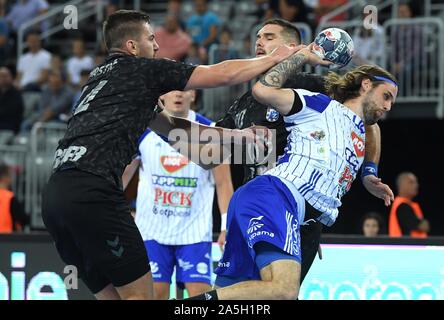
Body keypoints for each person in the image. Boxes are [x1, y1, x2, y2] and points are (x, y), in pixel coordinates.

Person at [41, 9, 300, 300]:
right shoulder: (143, 69)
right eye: (151, 39)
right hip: (94, 192)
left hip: (55, 199)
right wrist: (275, 58)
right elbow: (222, 74)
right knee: (140, 297)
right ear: (132, 47)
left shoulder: (104, 80)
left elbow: (179, 131)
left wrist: (238, 137)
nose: (156, 46)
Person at [188, 55, 398, 300]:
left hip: (271, 205)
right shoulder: (320, 105)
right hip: (274, 197)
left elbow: (374, 131)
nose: (388, 106)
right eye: (386, 96)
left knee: (233, 297)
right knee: (285, 290)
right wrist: (300, 56)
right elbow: (262, 90)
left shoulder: (359, 132)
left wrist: (369, 173)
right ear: (365, 85)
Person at [127, 89, 233, 300]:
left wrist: (225, 227)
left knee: (199, 296)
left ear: (192, 95)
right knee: (155, 294)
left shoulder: (210, 131)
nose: (177, 94)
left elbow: (223, 183)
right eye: (171, 90)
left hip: (193, 232)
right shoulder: (143, 128)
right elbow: (122, 176)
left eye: (183, 90)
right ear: (161, 96)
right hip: (151, 230)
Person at [389, 172, 429, 237]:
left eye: (416, 182)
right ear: (401, 185)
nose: (416, 185)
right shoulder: (402, 206)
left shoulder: (409, 205)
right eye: (411, 182)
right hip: (405, 246)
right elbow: (423, 226)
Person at [0, 163, 29, 233]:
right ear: (5, 178)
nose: (12, 178)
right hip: (6, 240)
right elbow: (24, 219)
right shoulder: (9, 198)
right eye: (10, 175)